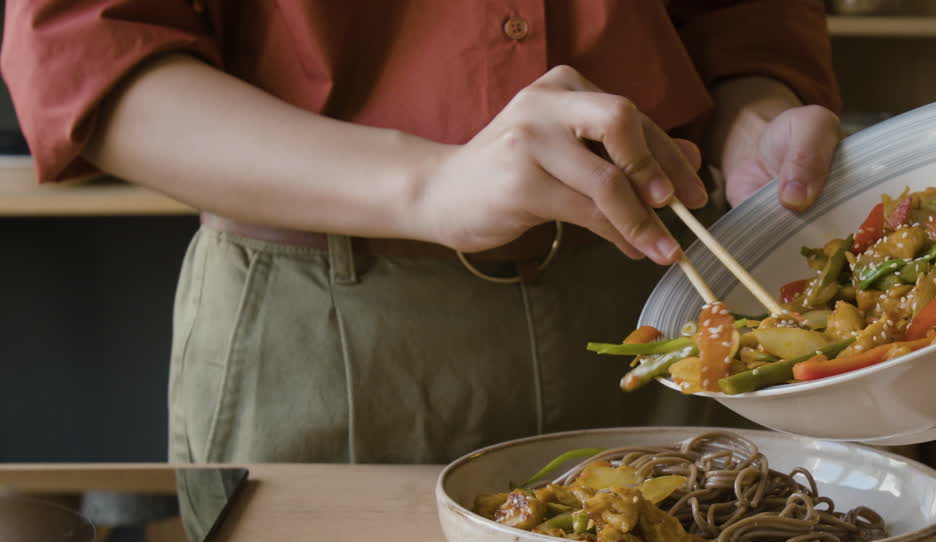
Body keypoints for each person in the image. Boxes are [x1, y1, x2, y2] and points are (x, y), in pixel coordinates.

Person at [1, 1, 843, 465]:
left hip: (679, 301)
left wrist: (753, 110)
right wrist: (431, 184)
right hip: (331, 331)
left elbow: (745, 20)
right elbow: (93, 57)